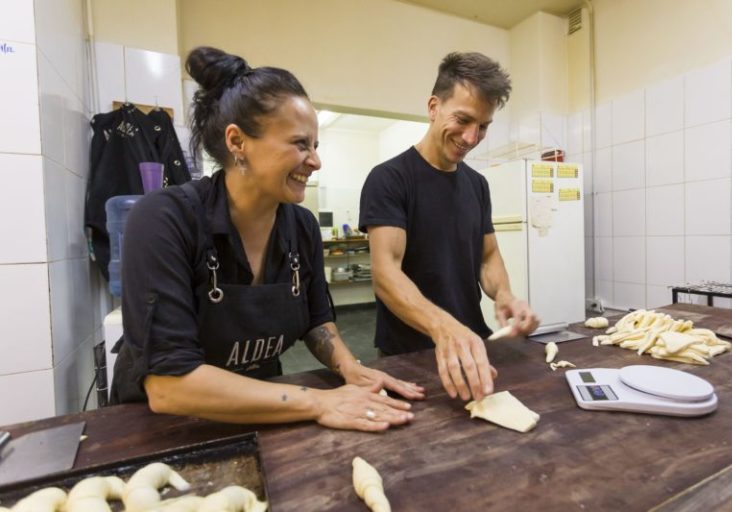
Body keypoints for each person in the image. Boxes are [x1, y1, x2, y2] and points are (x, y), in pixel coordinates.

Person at [111, 46, 424, 432]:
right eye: (300, 144)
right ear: (238, 142)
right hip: (167, 428)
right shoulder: (164, 219)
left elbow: (316, 320)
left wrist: (351, 368)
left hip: (264, 408)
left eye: (315, 145)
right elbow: (168, 385)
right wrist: (319, 401)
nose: (315, 161)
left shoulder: (301, 227)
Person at [359, 52, 539, 403]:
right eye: (463, 120)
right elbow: (386, 275)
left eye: (483, 126)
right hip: (410, 356)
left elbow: (487, 257)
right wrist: (445, 329)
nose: (471, 137)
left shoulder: (477, 185)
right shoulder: (390, 179)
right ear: (433, 107)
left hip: (473, 346)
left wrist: (504, 296)